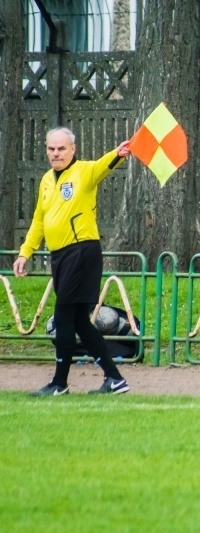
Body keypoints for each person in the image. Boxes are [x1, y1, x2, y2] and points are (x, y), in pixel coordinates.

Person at [13, 127, 132, 396]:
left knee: (63, 317)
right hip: (60, 257)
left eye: (61, 148)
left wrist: (118, 153)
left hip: (81, 252)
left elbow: (103, 166)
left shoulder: (84, 172)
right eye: (51, 149)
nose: (56, 153)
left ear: (73, 149)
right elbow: (39, 221)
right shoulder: (46, 180)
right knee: (79, 321)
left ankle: (59, 383)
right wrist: (24, 253)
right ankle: (115, 379)